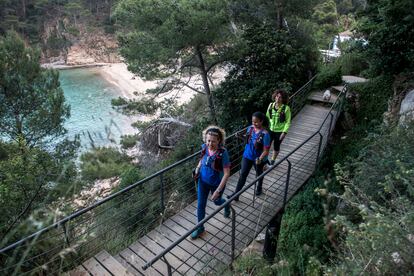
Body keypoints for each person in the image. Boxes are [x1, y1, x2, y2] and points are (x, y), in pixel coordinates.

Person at [191, 126, 231, 239]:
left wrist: (218, 191)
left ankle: (226, 203)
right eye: (208, 140)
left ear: (219, 140)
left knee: (217, 202)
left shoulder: (223, 153)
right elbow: (201, 160)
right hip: (203, 181)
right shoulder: (204, 148)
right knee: (200, 205)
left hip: (216, 184)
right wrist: (198, 168)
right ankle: (200, 228)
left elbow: (227, 173)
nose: (210, 143)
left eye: (213, 141)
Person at [229, 112, 271, 200]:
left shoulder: (265, 134)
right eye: (253, 122)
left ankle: (259, 187)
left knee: (259, 174)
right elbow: (248, 139)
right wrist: (240, 136)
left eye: (256, 122)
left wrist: (260, 158)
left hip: (258, 159)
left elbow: (266, 150)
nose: (254, 124)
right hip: (247, 156)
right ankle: (236, 194)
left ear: (261, 121)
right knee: (243, 175)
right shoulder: (250, 129)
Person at [266, 89, 291, 165]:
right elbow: (267, 117)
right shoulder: (271, 105)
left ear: (283, 99)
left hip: (279, 131)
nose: (278, 98)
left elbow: (288, 121)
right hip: (270, 130)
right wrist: (264, 129)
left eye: (280, 97)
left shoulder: (286, 108)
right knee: (267, 146)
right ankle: (265, 160)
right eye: (277, 96)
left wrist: (284, 132)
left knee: (276, 146)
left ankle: (272, 160)